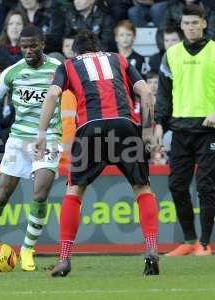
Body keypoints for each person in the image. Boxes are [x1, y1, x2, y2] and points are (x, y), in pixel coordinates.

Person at [35, 29, 159, 277]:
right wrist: (147, 130)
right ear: (100, 48)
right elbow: (146, 92)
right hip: (125, 126)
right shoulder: (119, 59)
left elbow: (52, 95)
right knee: (142, 188)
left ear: (75, 51)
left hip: (90, 129)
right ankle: (152, 249)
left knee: (74, 192)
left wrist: (41, 132)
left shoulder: (68, 65)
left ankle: (64, 258)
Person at [0, 26, 62, 272]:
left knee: (40, 193)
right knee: (2, 194)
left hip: (50, 137)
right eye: (24, 47)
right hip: (18, 139)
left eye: (33, 46)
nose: (29, 51)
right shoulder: (13, 72)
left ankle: (28, 250)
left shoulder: (57, 69)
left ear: (42, 43)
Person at [154, 4, 215, 256]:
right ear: (181, 26)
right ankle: (189, 240)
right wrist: (159, 124)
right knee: (177, 185)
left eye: (195, 23)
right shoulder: (172, 54)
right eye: (186, 23)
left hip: (209, 129)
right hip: (180, 130)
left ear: (204, 23)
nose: (190, 27)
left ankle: (204, 243)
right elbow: (164, 95)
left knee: (206, 187)